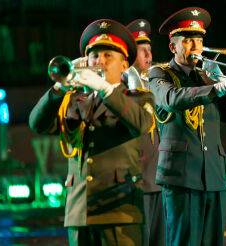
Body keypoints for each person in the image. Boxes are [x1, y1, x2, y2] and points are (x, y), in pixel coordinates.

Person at [29, 19, 153, 245]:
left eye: (108, 56)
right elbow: (37, 124)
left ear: (124, 65)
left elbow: (140, 124)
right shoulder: (75, 100)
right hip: (79, 212)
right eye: (95, 56)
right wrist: (59, 88)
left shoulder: (137, 97)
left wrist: (105, 89)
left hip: (120, 213)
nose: (100, 62)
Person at [148, 7, 226, 245]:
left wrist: (224, 82)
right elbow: (172, 99)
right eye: (187, 40)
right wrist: (218, 89)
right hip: (181, 176)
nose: (196, 46)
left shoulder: (206, 77)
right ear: (173, 46)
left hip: (214, 175)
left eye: (199, 39)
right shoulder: (160, 74)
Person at [125, 18, 164, 246]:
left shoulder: (159, 82)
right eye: (142, 51)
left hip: (160, 178)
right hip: (137, 180)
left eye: (150, 50)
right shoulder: (120, 88)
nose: (149, 57)